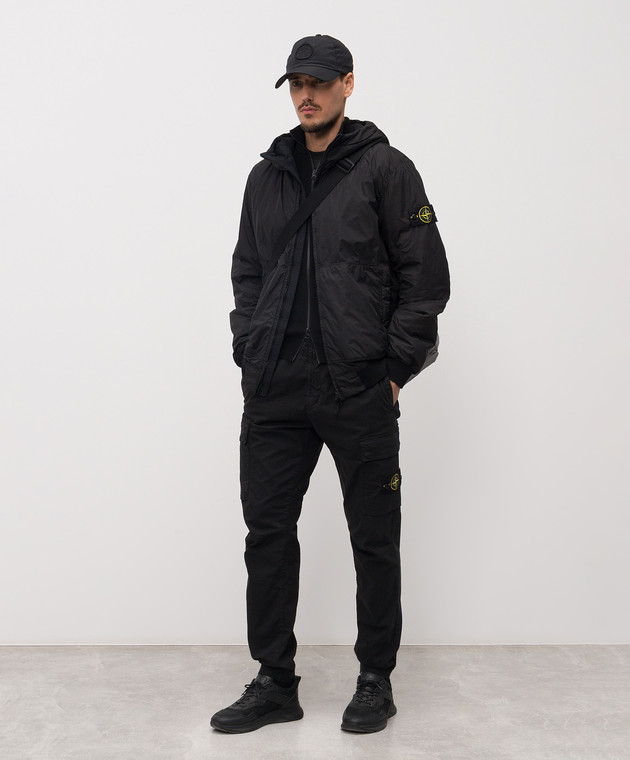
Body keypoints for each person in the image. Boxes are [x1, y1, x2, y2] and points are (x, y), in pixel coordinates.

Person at [211, 34, 450, 734]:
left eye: (318, 82)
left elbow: (425, 278)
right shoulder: (267, 176)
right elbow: (248, 270)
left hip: (356, 385)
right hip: (276, 387)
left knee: (373, 538)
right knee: (267, 534)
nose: (305, 96)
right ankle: (274, 681)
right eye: (296, 84)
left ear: (348, 83)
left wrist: (395, 370)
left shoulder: (386, 169)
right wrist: (249, 348)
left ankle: (375, 679)